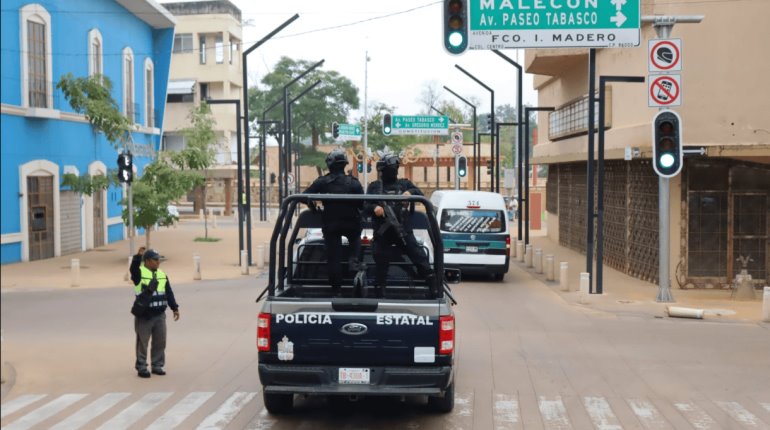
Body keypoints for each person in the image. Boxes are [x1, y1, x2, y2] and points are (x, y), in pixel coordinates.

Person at [365, 154, 435, 298]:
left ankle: (432, 285)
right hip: (382, 233)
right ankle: (380, 290)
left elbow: (420, 194)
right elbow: (364, 205)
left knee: (419, 256)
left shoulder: (404, 184)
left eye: (394, 168)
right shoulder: (374, 187)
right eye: (390, 168)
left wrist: (410, 193)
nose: (393, 171)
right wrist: (374, 208)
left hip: (403, 231)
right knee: (380, 259)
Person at [303, 149, 365, 296]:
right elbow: (363, 204)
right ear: (344, 165)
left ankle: (336, 290)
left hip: (331, 225)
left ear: (330, 164)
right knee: (355, 249)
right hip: (352, 225)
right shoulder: (354, 183)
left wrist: (313, 207)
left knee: (334, 259)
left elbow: (304, 196)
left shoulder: (322, 182)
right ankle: (353, 262)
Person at [130, 247, 180, 378]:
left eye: (159, 260)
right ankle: (141, 366)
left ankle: (157, 365)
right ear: (147, 261)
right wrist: (137, 257)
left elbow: (168, 292)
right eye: (155, 260)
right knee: (143, 342)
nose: (158, 262)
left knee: (160, 341)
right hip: (144, 315)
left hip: (160, 315)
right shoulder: (139, 273)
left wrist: (174, 307)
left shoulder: (162, 275)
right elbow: (133, 270)